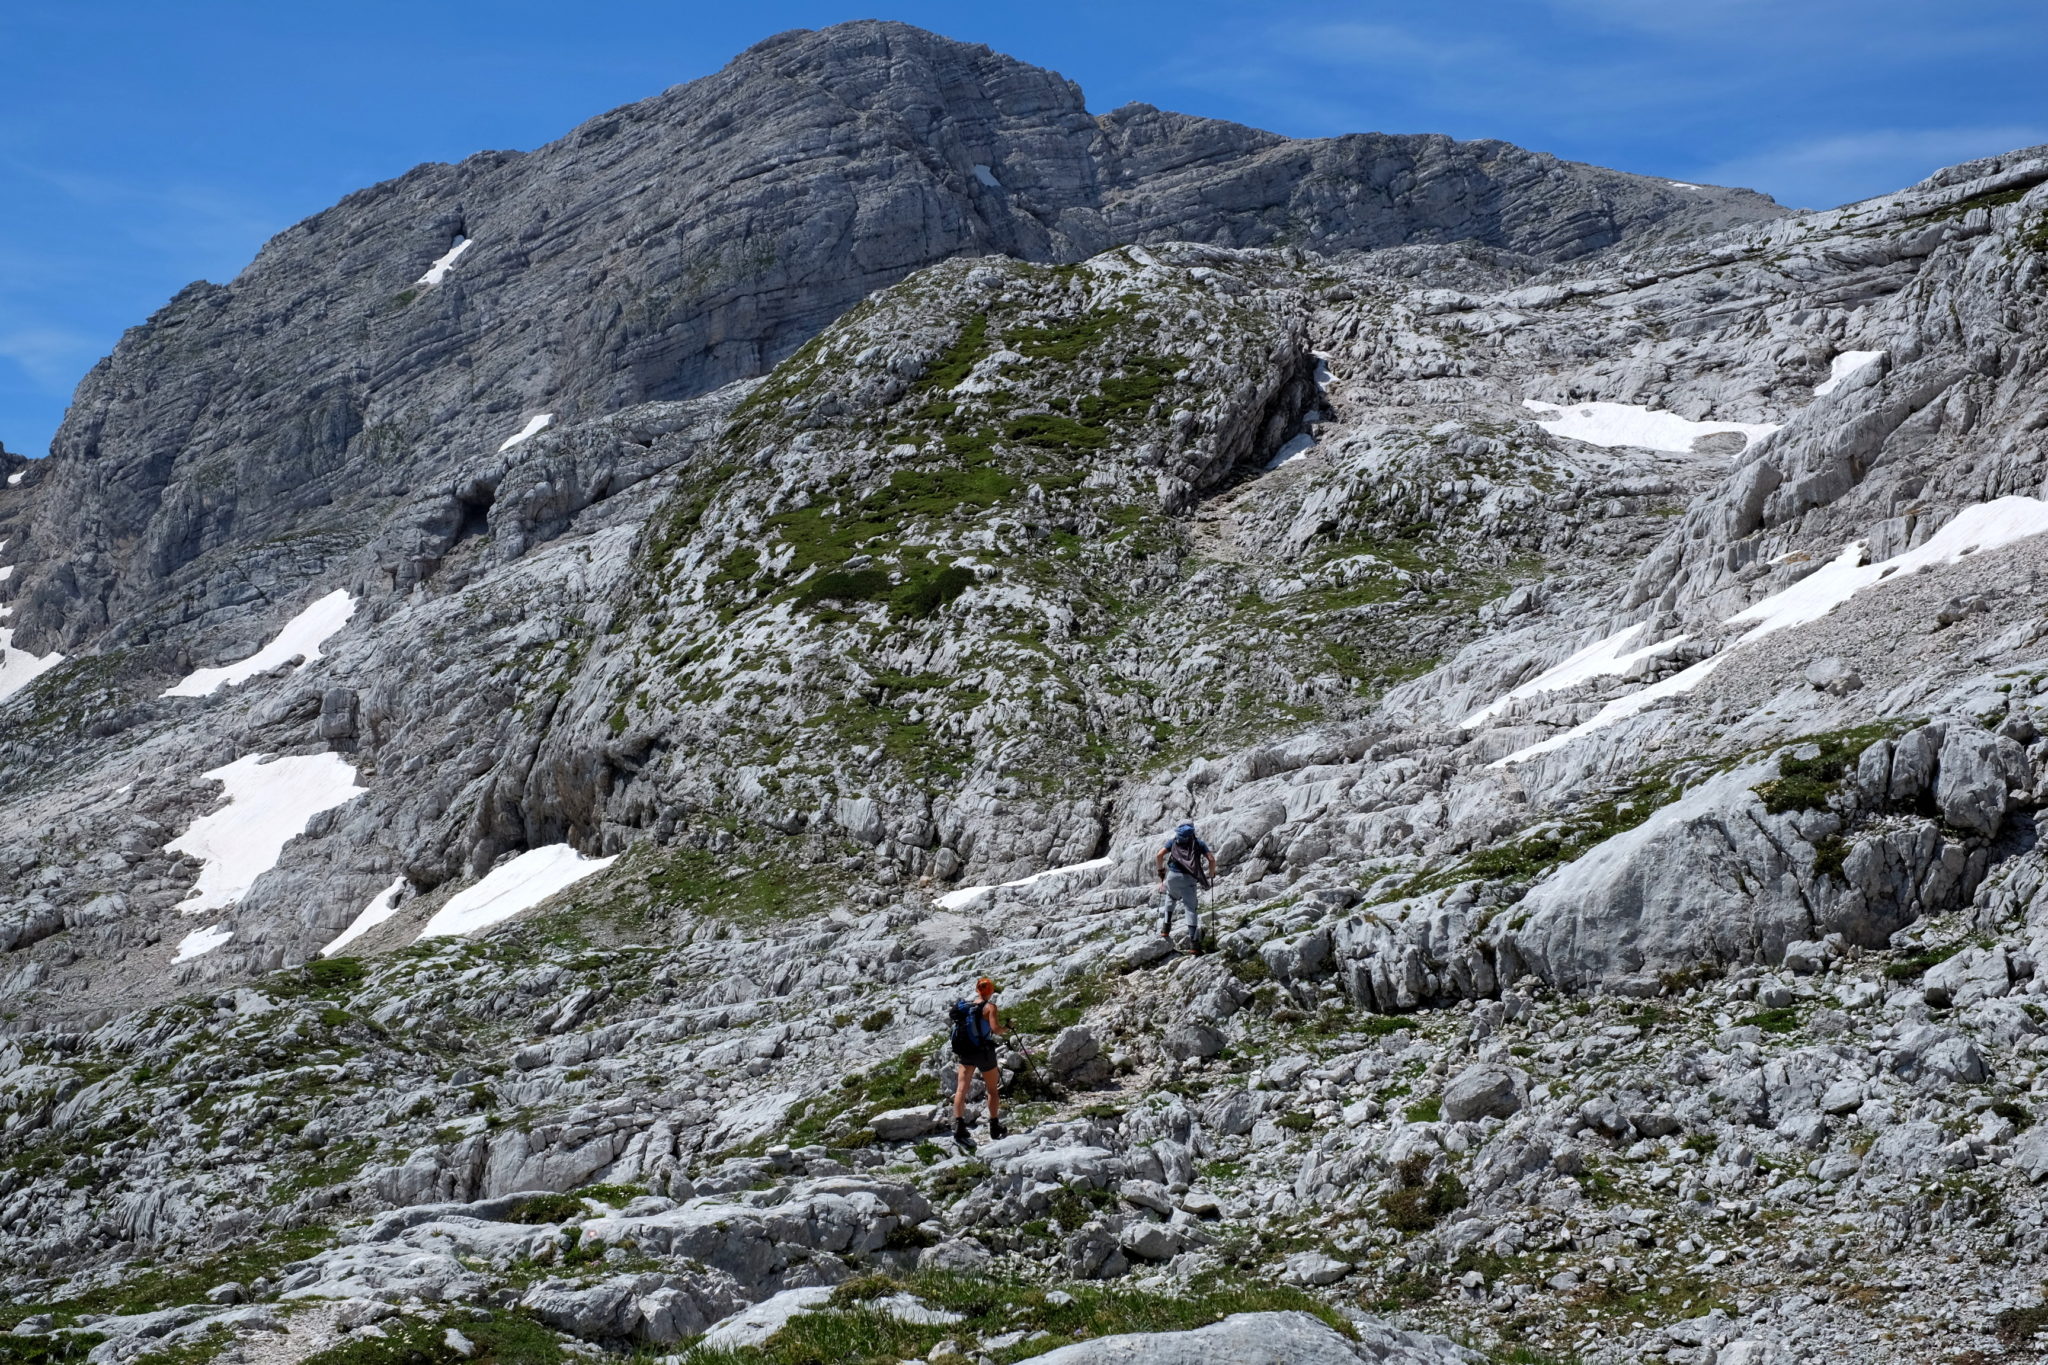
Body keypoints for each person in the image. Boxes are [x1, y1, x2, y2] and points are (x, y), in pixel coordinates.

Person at [951, 976, 1007, 1146]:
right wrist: (1007, 1027)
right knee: (992, 1089)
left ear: (977, 990)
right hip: (983, 1052)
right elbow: (995, 1030)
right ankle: (994, 1125)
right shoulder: (990, 1007)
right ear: (991, 991)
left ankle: (959, 1126)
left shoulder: (967, 1007)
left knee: (961, 1089)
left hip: (966, 1052)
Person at [1155, 821, 1216, 953]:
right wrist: (1211, 874)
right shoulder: (1199, 843)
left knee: (1171, 897)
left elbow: (1159, 855)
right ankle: (1194, 944)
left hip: (1172, 877)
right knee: (1190, 908)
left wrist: (1161, 871)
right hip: (1189, 879)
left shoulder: (1173, 842)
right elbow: (1211, 859)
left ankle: (1165, 929)